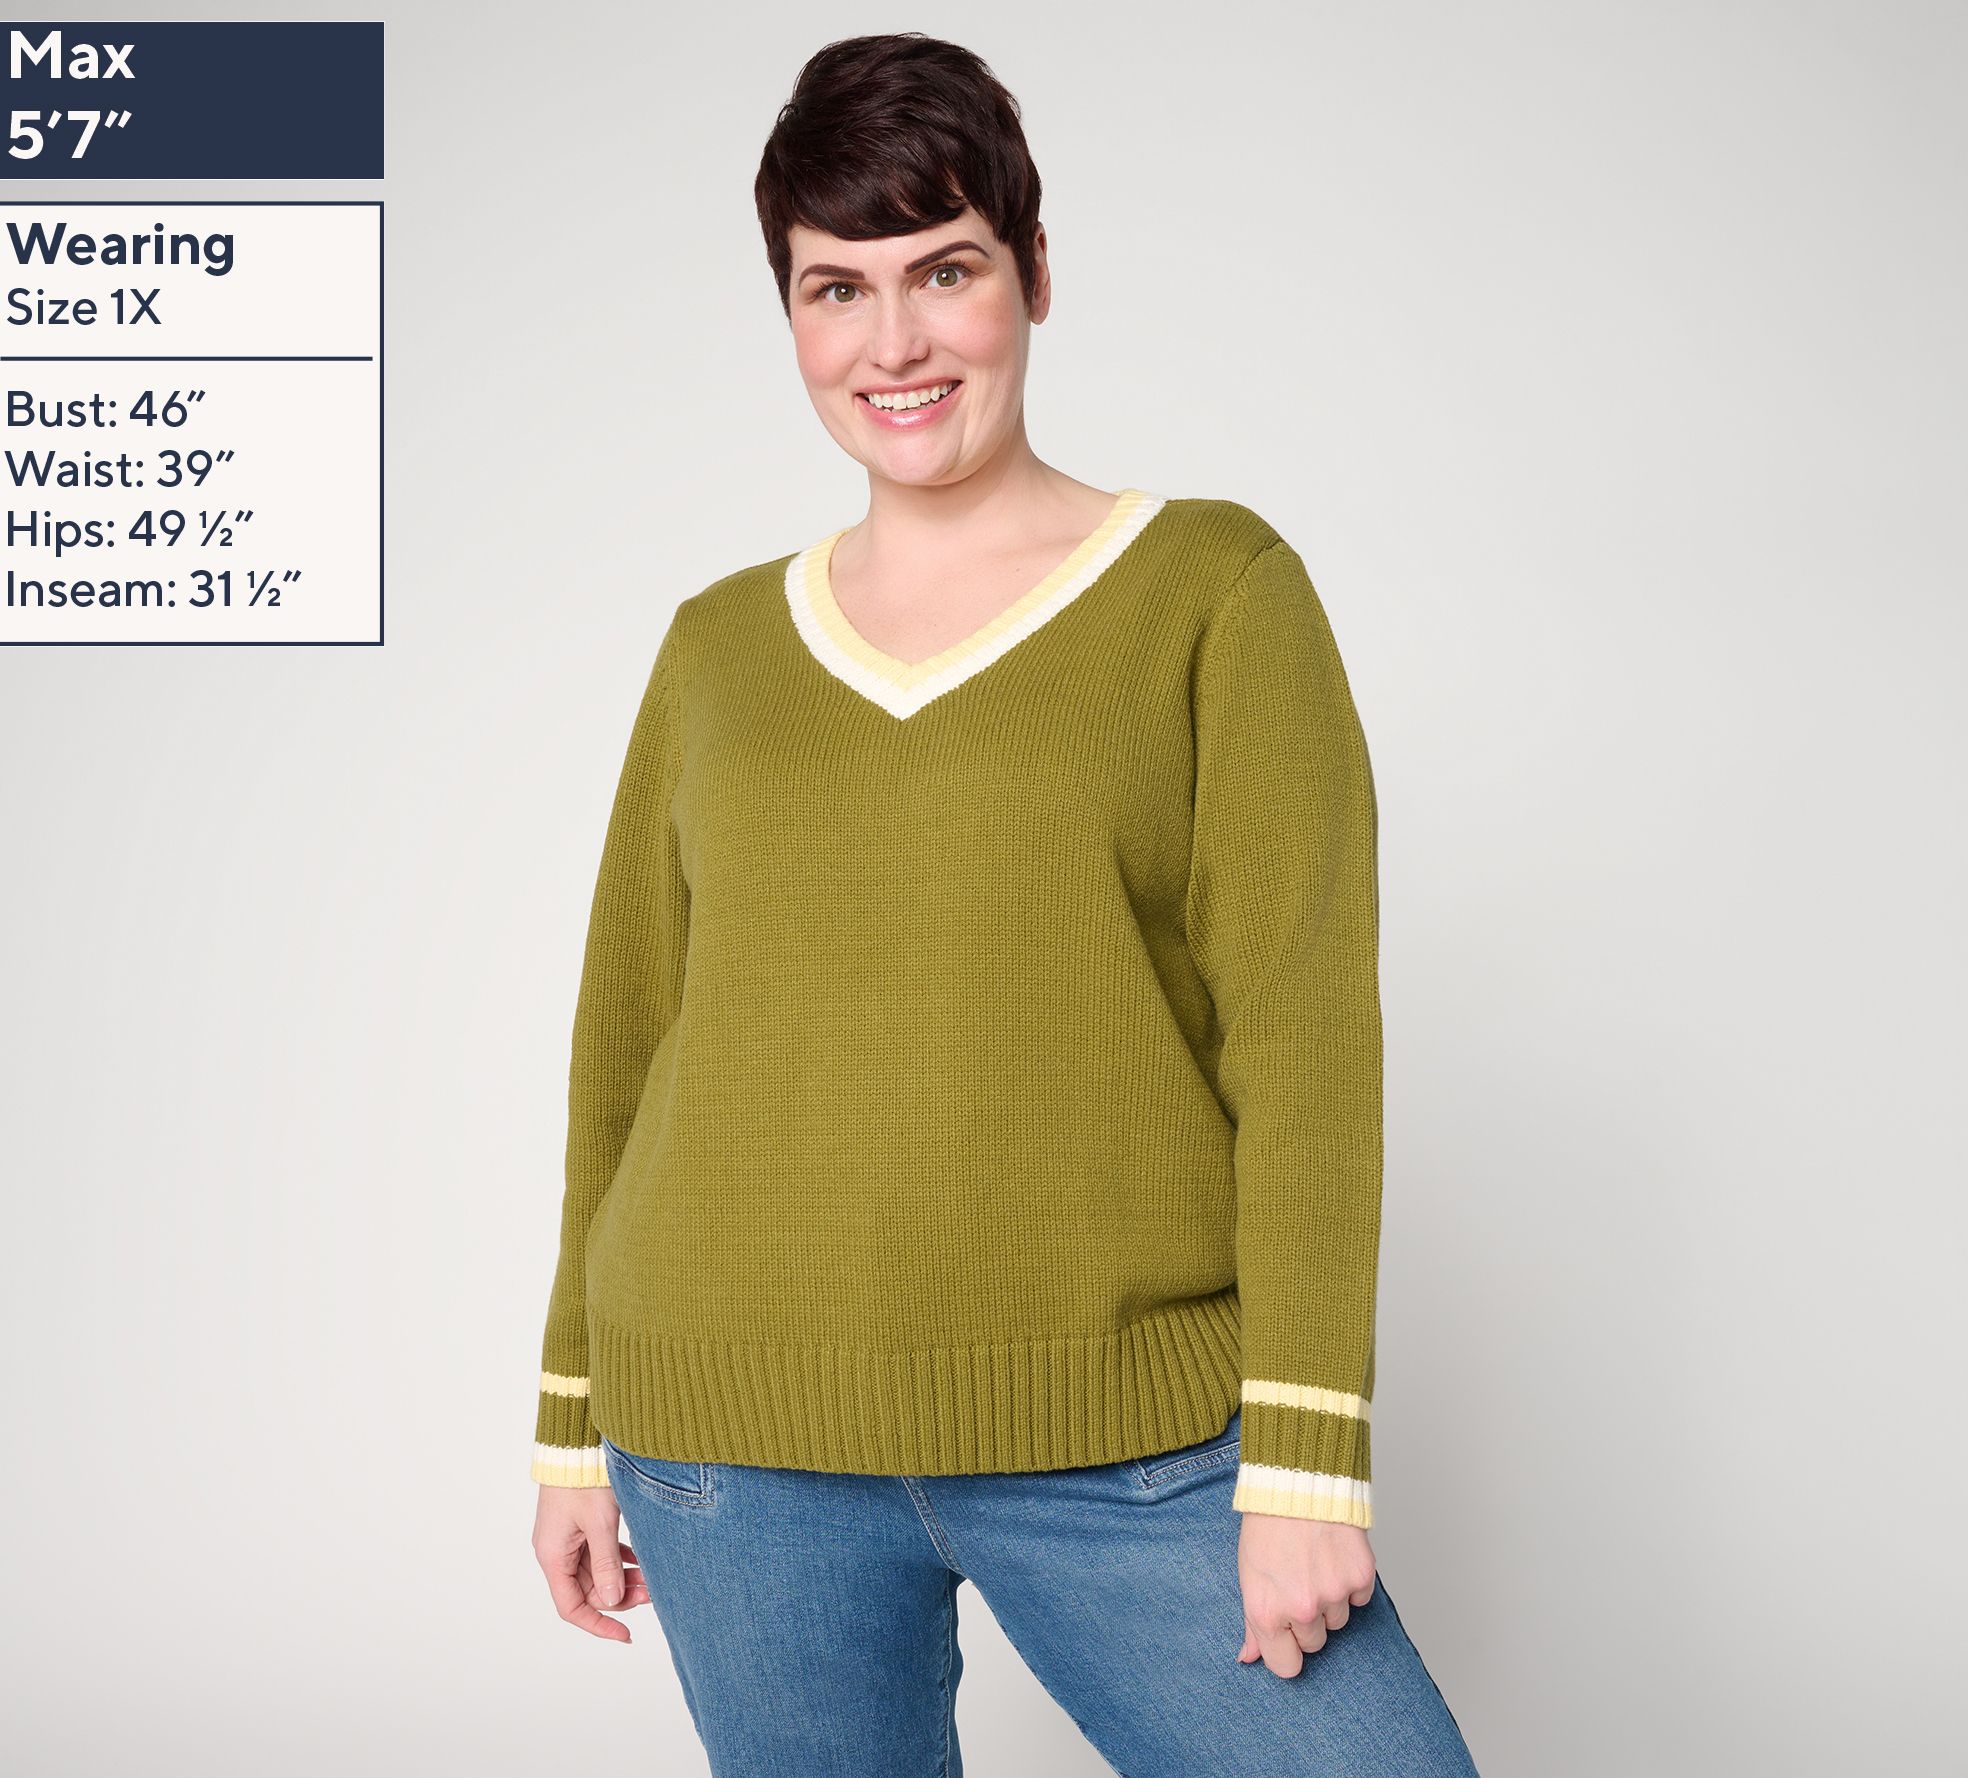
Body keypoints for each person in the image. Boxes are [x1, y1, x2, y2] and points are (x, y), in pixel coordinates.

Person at [528, 30, 1479, 1778]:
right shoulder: (717, 648)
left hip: (1132, 1449)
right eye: (837, 289)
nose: (892, 343)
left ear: (1033, 273)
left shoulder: (1214, 590)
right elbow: (628, 1043)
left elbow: (1303, 1041)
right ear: (792, 315)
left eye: (944, 270)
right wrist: (572, 1423)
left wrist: (1306, 1456)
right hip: (733, 1451)